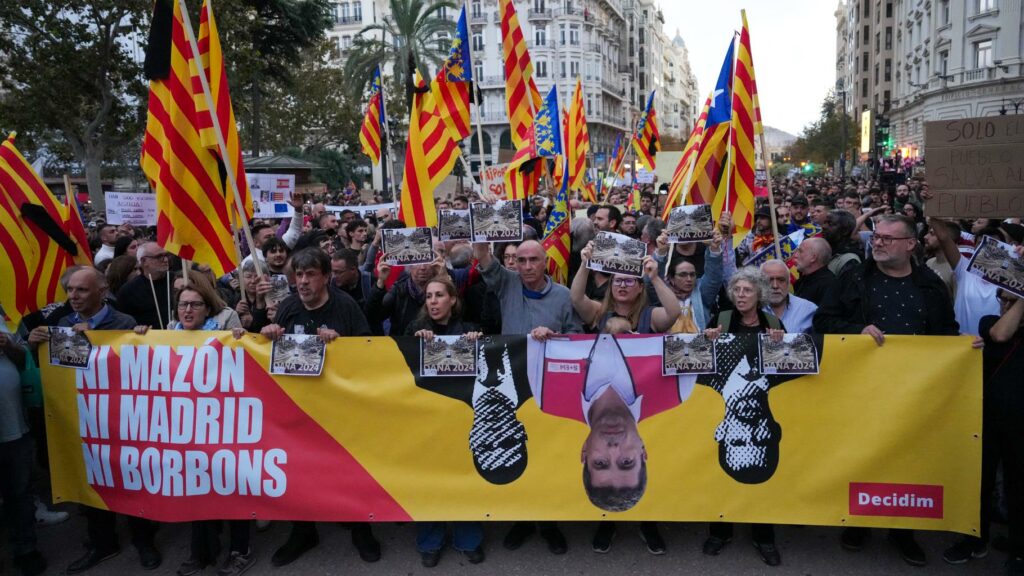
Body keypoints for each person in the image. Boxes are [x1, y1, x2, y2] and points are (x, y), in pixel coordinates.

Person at [814, 214, 958, 567]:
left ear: (910, 245)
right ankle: (860, 522)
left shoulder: (930, 286)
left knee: (906, 459)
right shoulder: (854, 279)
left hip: (913, 394)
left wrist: (964, 350)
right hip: (862, 391)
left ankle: (903, 530)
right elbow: (824, 321)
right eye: (876, 237)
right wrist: (856, 330)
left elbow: (947, 333)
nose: (877, 243)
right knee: (864, 454)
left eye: (887, 239)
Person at [248, 248, 378, 568]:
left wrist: (343, 346)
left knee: (348, 472)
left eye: (310, 275)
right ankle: (303, 532)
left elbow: (368, 353)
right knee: (297, 472)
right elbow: (268, 352)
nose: (303, 281)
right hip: (298, 409)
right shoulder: (289, 308)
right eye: (299, 275)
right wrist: (267, 334)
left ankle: (361, 530)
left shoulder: (346, 308)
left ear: (326, 278)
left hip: (339, 410)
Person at [26, 268, 161, 573]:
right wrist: (38, 345)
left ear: (102, 292)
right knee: (94, 483)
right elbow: (61, 374)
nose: (73, 297)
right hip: (86, 421)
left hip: (122, 421)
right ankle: (103, 543)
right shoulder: (62, 324)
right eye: (71, 290)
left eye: (82, 291)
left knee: (129, 481)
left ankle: (144, 540)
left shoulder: (124, 324)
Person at [135, 281, 252, 576]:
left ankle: (240, 550)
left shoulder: (224, 334)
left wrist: (242, 339)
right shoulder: (168, 333)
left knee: (232, 487)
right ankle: (201, 553)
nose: (187, 310)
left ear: (207, 308)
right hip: (187, 427)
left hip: (224, 424)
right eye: (183, 304)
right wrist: (138, 339)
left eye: (195, 304)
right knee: (197, 488)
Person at [473, 239, 580, 554]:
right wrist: (481, 235)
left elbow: (576, 334)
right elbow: (484, 259)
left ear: (545, 261)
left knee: (546, 455)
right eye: (521, 260)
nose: (528, 266)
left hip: (549, 387)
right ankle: (521, 520)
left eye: (534, 259)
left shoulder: (562, 296)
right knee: (521, 454)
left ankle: (549, 524)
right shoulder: (507, 284)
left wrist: (554, 336)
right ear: (514, 264)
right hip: (513, 389)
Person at [701, 266, 785, 567]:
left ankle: (764, 537)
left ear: (759, 293)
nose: (741, 295)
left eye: (747, 291)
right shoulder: (722, 320)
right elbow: (697, 354)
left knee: (762, 491)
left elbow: (789, 359)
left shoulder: (773, 322)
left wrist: (779, 341)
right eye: (737, 290)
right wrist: (706, 338)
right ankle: (719, 533)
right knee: (723, 486)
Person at [405, 276, 486, 567]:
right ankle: (430, 540)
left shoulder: (468, 330)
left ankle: (468, 538)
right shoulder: (415, 330)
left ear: (452, 300)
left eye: (439, 295)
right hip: (427, 419)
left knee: (465, 478)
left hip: (463, 418)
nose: (433, 301)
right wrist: (413, 345)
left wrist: (479, 342)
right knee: (429, 480)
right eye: (429, 296)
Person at [942, 286, 1023, 572]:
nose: (1004, 304)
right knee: (979, 483)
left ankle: (1019, 550)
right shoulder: (989, 323)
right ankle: (974, 539)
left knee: (1017, 486)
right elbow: (1001, 334)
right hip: (986, 419)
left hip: (1019, 427)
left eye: (1010, 301)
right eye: (1003, 298)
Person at [0, 305, 47, 576]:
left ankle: (25, 549)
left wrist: (8, 345)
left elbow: (24, 356)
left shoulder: (7, 314)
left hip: (13, 421)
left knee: (18, 489)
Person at [571, 246, 680, 334]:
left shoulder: (650, 316)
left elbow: (674, 313)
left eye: (629, 281)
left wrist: (654, 278)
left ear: (640, 288)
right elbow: (577, 298)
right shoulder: (599, 312)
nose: (622, 285)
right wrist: (585, 264)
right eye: (617, 281)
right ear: (611, 285)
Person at [116, 242, 173, 329]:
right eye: (159, 257)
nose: (165, 260)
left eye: (166, 255)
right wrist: (136, 328)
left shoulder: (177, 281)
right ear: (143, 261)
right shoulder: (128, 291)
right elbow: (123, 324)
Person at [761, 260, 817, 334]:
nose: (775, 286)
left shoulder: (809, 310)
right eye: (769, 280)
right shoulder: (751, 310)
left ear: (788, 282)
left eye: (781, 280)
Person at [792, 237, 835, 306]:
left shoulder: (828, 286)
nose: (795, 255)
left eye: (800, 251)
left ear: (813, 257)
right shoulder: (803, 281)